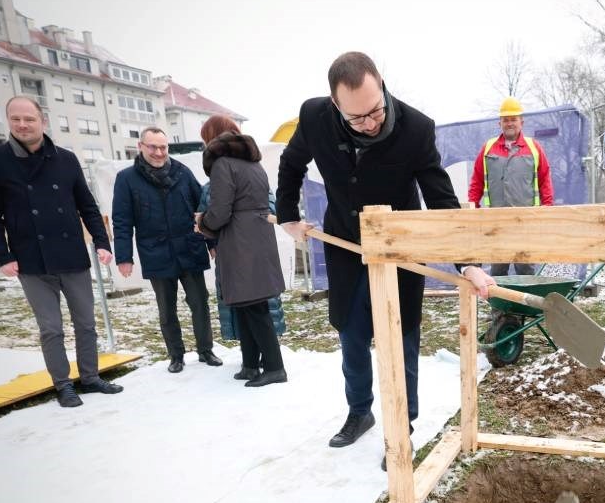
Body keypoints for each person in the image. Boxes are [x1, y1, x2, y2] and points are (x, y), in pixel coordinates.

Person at [276, 51, 492, 467]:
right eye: (357, 118)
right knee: (352, 337)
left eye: (375, 111)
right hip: (345, 247)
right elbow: (292, 162)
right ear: (336, 105)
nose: (371, 123)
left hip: (399, 252)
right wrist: (287, 213)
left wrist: (468, 261)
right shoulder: (314, 117)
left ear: (382, 86)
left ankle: (402, 428)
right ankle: (360, 413)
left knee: (401, 339)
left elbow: (441, 198)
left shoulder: (415, 129)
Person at [0, 96, 123, 407]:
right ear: (9, 121)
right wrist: (2, 256)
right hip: (31, 261)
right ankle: (63, 385)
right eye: (15, 119)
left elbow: (87, 205)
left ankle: (90, 377)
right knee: (51, 328)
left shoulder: (66, 159)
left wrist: (101, 241)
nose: (22, 124)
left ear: (42, 121)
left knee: (85, 323)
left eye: (29, 118)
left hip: (71, 255)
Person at [112, 126, 221, 373]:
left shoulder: (183, 173)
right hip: (156, 252)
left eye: (163, 147)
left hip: (189, 249)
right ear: (140, 147)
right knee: (166, 309)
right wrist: (124, 256)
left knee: (199, 302)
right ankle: (176, 354)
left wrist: (211, 243)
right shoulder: (126, 179)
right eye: (153, 147)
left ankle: (205, 350)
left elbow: (202, 210)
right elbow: (122, 220)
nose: (159, 152)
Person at [197, 115, 287, 388]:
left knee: (254, 308)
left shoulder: (223, 165)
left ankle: (274, 367)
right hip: (256, 238)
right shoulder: (253, 163)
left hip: (240, 241)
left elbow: (220, 210)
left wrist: (203, 223)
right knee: (247, 305)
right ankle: (250, 364)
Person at [466, 96, 554, 276]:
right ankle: (499, 305)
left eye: (513, 119)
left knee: (525, 268)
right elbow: (477, 180)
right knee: (498, 269)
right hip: (496, 220)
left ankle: (526, 304)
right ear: (500, 123)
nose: (509, 123)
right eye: (505, 120)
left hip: (525, 220)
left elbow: (545, 178)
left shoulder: (534, 147)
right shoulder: (488, 148)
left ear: (521, 122)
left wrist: (547, 209)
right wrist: (472, 206)